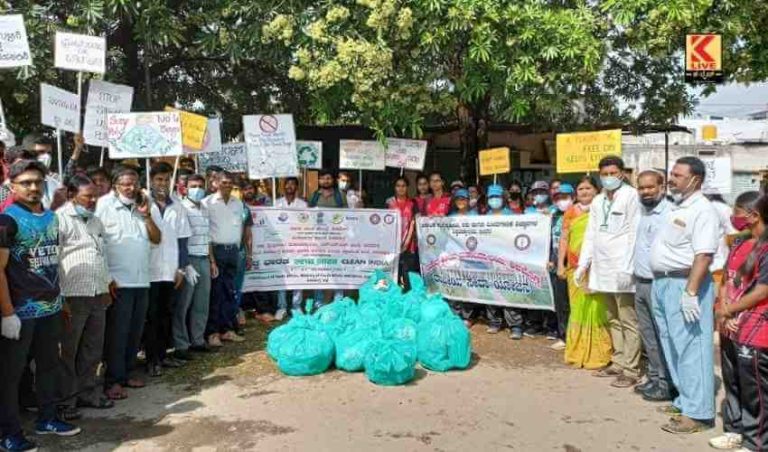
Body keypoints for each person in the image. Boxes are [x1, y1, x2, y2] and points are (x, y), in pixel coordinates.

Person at [0, 160, 81, 452]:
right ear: (12, 186)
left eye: (37, 182)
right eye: (26, 183)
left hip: (51, 308)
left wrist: (61, 301)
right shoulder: (7, 221)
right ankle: (9, 434)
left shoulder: (51, 218)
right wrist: (7, 313)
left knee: (49, 366)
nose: (33, 187)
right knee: (10, 376)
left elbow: (52, 262)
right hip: (20, 313)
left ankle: (47, 419)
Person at [651, 156, 719, 434]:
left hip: (685, 284)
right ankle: (685, 401)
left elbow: (704, 255)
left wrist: (691, 292)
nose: (671, 179)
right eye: (672, 173)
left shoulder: (703, 210)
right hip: (663, 283)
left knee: (692, 348)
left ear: (695, 180)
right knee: (673, 346)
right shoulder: (677, 206)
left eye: (678, 175)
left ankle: (699, 414)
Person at [575, 155, 642, 388]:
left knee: (628, 319)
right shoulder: (598, 200)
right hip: (602, 268)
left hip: (622, 267)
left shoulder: (631, 196)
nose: (609, 177)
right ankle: (618, 360)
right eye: (604, 174)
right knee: (612, 317)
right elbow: (591, 234)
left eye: (613, 173)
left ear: (622, 174)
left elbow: (635, 232)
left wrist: (628, 266)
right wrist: (583, 264)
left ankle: (631, 369)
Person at [97, 166, 161, 401]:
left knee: (134, 332)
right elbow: (97, 243)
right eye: (125, 184)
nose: (131, 188)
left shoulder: (143, 205)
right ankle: (112, 380)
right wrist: (107, 277)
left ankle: (126, 374)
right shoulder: (104, 205)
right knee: (118, 333)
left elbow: (157, 239)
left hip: (141, 280)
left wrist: (146, 215)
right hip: (118, 281)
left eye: (134, 183)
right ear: (115, 185)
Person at [57, 175, 115, 421]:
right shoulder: (59, 220)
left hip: (97, 292)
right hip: (72, 295)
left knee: (93, 348)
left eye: (95, 196)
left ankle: (89, 393)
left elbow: (102, 254)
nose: (92, 200)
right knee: (67, 351)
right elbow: (54, 259)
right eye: (87, 196)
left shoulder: (95, 221)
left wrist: (107, 284)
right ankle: (65, 401)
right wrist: (59, 297)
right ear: (72, 195)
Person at [709, 191, 761, 451]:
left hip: (752, 325)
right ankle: (734, 429)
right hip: (728, 322)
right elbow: (726, 280)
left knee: (754, 387)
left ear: (754, 215)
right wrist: (723, 309)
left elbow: (761, 291)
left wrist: (733, 312)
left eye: (737, 212)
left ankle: (755, 440)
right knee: (732, 379)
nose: (733, 217)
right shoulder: (738, 242)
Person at [559, 176, 612, 369]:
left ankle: (599, 353)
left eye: (588, 188)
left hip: (598, 267)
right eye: (581, 189)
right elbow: (564, 239)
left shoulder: (604, 209)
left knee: (598, 309)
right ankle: (577, 351)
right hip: (575, 268)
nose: (584, 192)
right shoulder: (570, 212)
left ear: (597, 190)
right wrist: (561, 264)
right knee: (577, 310)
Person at [632, 170, 675, 402]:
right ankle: (655, 376)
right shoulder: (642, 211)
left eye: (650, 187)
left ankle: (666, 383)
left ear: (662, 187)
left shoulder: (669, 213)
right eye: (641, 188)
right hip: (640, 281)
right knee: (648, 336)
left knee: (662, 336)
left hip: (659, 282)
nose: (646, 192)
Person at [203, 171, 249, 346]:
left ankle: (227, 330)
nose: (227, 186)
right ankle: (212, 332)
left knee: (230, 292)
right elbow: (205, 232)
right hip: (216, 251)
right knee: (215, 293)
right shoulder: (207, 203)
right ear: (215, 183)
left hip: (233, 252)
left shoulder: (238, 203)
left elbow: (241, 228)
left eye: (230, 183)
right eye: (224, 182)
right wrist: (212, 259)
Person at [176, 174, 215, 356]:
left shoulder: (205, 208)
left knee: (202, 304)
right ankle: (181, 344)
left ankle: (197, 340)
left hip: (204, 259)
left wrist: (212, 261)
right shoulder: (181, 208)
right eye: (193, 186)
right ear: (185, 188)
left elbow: (208, 237)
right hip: (188, 261)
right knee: (183, 304)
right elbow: (179, 238)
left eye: (200, 185)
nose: (197, 189)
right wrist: (183, 264)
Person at [485, 184, 524, 339]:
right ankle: (494, 321)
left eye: (497, 197)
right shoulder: (484, 217)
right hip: (489, 259)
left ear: (503, 198)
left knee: (509, 290)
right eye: (491, 197)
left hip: (508, 259)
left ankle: (515, 325)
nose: (494, 200)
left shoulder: (511, 215)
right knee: (491, 290)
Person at [308, 170, 346, 307]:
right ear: (319, 180)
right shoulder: (314, 196)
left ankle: (338, 300)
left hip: (336, 239)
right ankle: (319, 301)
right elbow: (308, 216)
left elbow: (347, 216)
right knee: (320, 270)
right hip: (319, 240)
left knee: (337, 269)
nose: (325, 181)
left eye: (328, 178)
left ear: (333, 180)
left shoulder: (340, 195)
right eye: (322, 178)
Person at [274, 177, 307, 319]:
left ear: (297, 187)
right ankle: (281, 306)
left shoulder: (303, 205)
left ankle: (296, 306)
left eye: (292, 184)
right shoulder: (276, 203)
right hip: (281, 245)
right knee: (282, 276)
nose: (289, 186)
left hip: (298, 244)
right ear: (283, 187)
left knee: (297, 275)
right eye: (287, 184)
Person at [549, 183, 574, 350]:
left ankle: (576, 336)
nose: (561, 201)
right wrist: (550, 258)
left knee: (574, 302)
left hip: (574, 262)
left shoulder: (579, 214)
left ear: (572, 197)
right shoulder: (553, 216)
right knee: (561, 302)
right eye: (558, 198)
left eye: (565, 197)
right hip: (557, 262)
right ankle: (564, 335)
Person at [385, 177, 419, 291]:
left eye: (403, 186)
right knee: (393, 275)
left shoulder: (413, 203)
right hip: (392, 245)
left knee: (407, 275)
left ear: (407, 187)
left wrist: (406, 242)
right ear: (395, 188)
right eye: (398, 186)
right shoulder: (389, 203)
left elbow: (415, 222)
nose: (401, 188)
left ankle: (407, 296)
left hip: (409, 246)